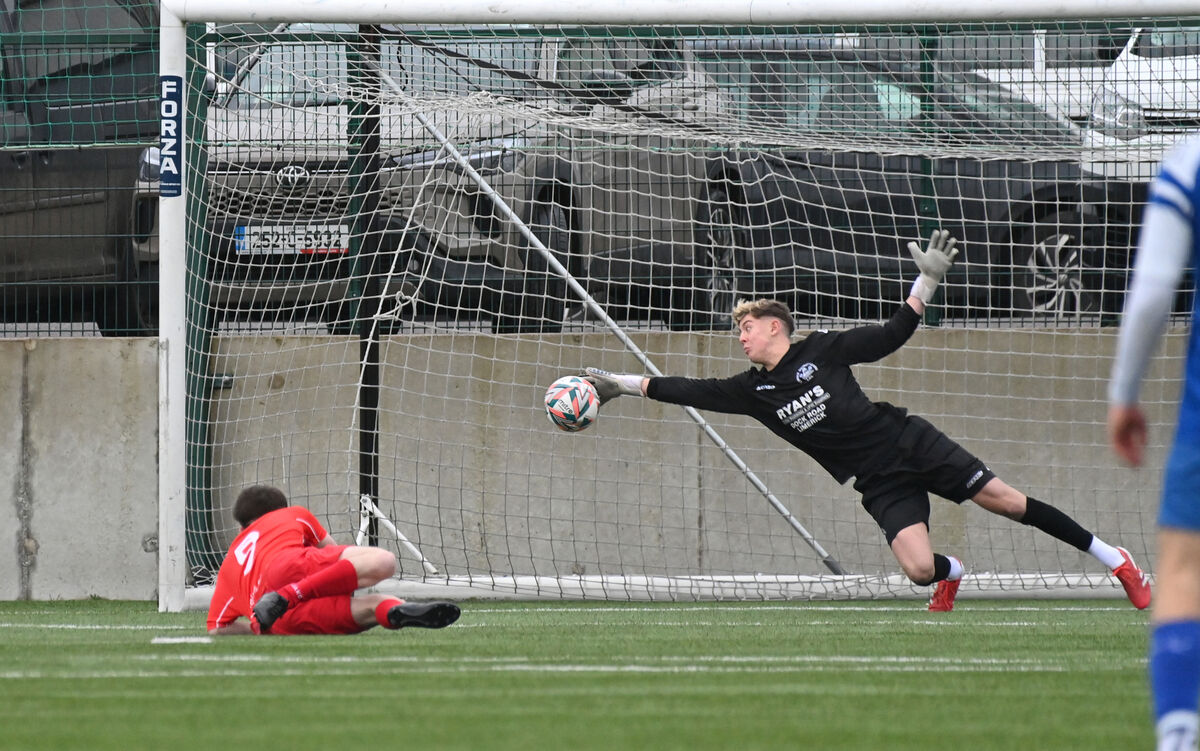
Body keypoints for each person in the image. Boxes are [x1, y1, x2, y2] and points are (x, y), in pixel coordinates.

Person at [586, 229, 1151, 613]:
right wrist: (618, 385)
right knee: (919, 571)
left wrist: (924, 282)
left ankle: (1113, 558)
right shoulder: (751, 390)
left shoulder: (823, 350)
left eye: (747, 328)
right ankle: (952, 573)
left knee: (1006, 502)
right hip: (877, 479)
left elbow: (889, 336)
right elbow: (685, 389)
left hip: (909, 442)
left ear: (776, 328)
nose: (741, 337)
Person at [1108, 136, 1200, 751]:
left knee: (1184, 568)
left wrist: (1123, 394)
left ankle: (1178, 734)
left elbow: (1153, 292)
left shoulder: (1191, 160)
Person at [206, 484, 460, 635]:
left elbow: (217, 628)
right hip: (287, 568)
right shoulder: (292, 515)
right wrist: (295, 592)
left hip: (276, 620)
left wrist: (257, 625)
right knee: (384, 562)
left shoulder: (229, 566)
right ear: (279, 511)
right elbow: (334, 552)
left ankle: (394, 609)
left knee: (375, 606)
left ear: (241, 528)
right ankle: (289, 595)